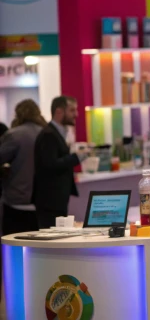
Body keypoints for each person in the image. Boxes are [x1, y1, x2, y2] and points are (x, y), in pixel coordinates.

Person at [33, 96, 88, 229]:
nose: (76, 114)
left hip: (55, 200)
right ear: (59, 112)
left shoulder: (55, 132)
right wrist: (76, 157)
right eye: (72, 110)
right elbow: (50, 164)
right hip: (50, 201)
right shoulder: (49, 134)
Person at [0, 100, 47, 234]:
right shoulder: (46, 133)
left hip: (17, 200)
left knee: (14, 248)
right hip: (42, 202)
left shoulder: (14, 135)